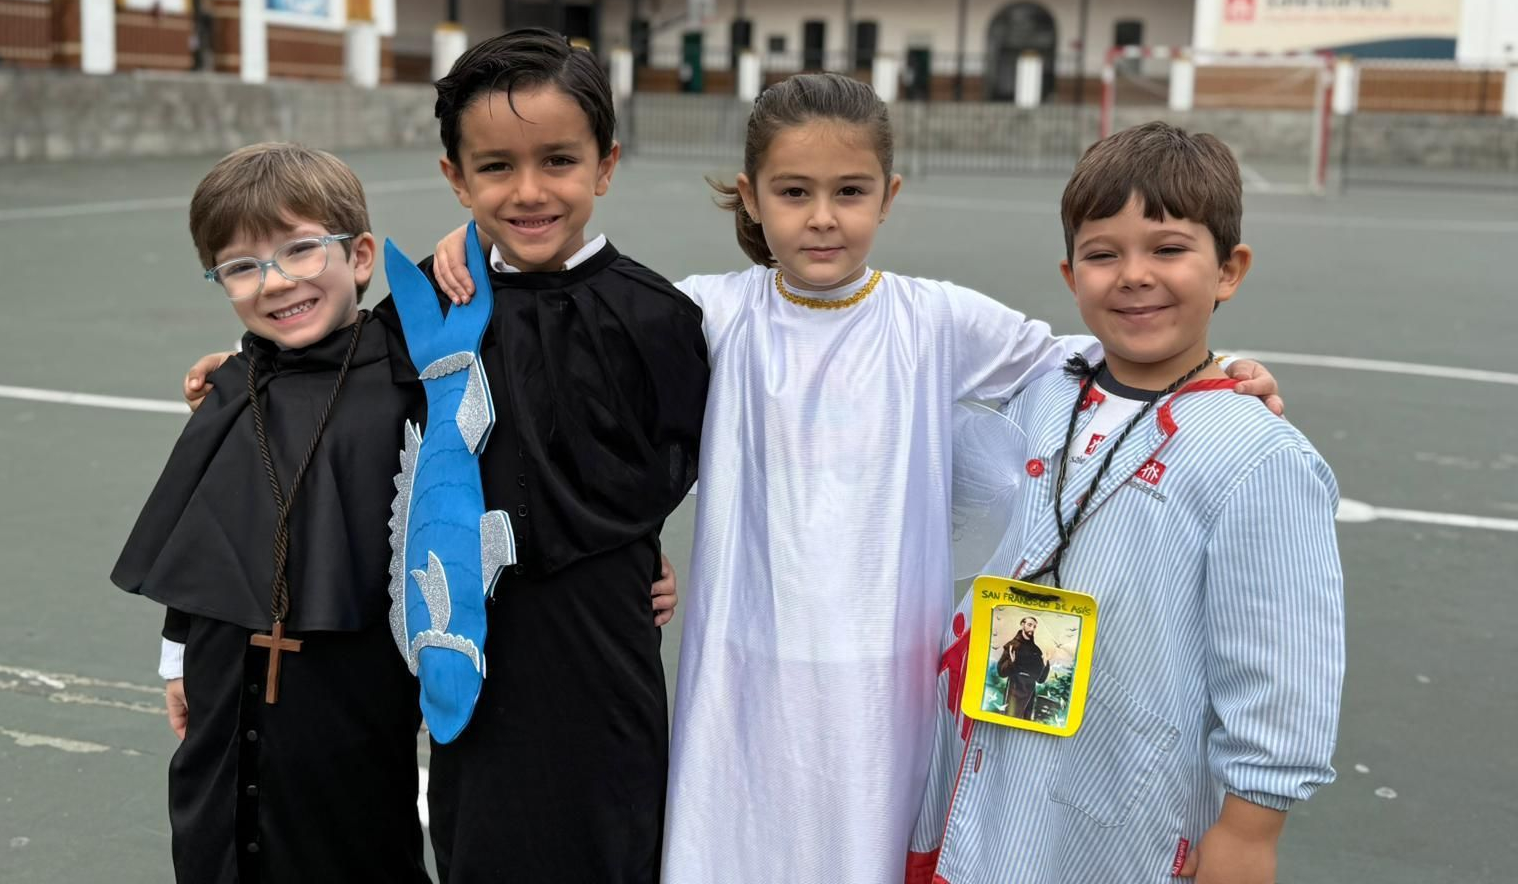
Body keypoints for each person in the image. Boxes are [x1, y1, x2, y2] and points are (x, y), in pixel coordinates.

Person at [431, 74, 1285, 884]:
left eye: (850, 191)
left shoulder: (937, 318)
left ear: (889, 194)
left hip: (885, 674)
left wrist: (1219, 369)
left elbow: (1089, 361)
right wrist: (471, 249)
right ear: (753, 196)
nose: (822, 219)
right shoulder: (708, 312)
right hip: (740, 664)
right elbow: (575, 351)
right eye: (794, 193)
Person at [183, 30, 707, 884]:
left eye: (559, 162)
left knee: (611, 832)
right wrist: (243, 372)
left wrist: (628, 554)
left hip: (600, 641)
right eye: (496, 168)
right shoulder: (433, 297)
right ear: (455, 178)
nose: (529, 191)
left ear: (605, 166)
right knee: (479, 838)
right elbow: (338, 364)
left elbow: (672, 464)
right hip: (471, 638)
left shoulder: (657, 316)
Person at [906, 123, 1345, 884]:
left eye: (1169, 249)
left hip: (1123, 810)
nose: (1134, 276)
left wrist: (1250, 830)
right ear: (1071, 273)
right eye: (1104, 254)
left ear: (1229, 269)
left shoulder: (1259, 454)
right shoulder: (1042, 384)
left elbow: (1284, 666)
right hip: (984, 768)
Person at [111, 142, 432, 884]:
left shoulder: (409, 371)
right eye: (242, 266)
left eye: (299, 250)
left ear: (360, 256)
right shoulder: (237, 381)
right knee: (219, 835)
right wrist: (176, 657)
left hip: (352, 683)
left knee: (348, 840)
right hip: (226, 672)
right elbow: (207, 525)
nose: (276, 281)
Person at [995, 616, 1048, 719]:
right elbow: (1001, 672)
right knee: (1010, 719)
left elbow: (1040, 679)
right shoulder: (1012, 646)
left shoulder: (1036, 651)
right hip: (1015, 689)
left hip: (1030, 692)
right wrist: (1011, 662)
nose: (1032, 629)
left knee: (1026, 721)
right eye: (1029, 625)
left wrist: (1045, 665)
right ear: (1022, 624)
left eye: (1034, 627)